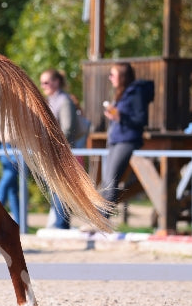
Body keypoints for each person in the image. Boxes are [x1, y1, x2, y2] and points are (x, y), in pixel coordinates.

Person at [99, 62, 154, 219]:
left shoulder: (136, 93)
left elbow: (141, 119)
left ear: (122, 77)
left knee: (110, 181)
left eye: (113, 75)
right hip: (116, 140)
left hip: (127, 140)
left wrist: (119, 116)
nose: (110, 78)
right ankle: (100, 219)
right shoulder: (122, 93)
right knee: (106, 181)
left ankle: (102, 221)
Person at [39, 69, 88, 229]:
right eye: (42, 83)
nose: (43, 86)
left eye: (46, 82)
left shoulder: (64, 101)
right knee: (56, 189)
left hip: (62, 152)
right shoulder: (51, 100)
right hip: (52, 151)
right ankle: (62, 224)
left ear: (56, 82)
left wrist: (55, 147)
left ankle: (61, 225)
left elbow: (68, 129)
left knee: (61, 189)